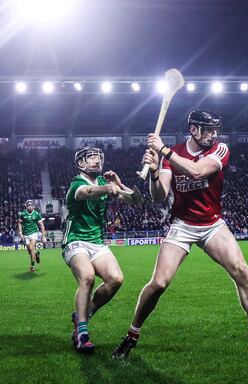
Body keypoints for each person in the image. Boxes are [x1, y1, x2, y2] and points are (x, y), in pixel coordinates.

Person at [112, 110, 248, 360]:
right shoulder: (172, 155)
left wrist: (164, 151)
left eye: (215, 129)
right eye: (208, 130)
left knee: (241, 270)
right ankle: (130, 337)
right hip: (181, 225)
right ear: (194, 130)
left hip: (212, 224)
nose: (214, 135)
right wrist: (155, 170)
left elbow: (197, 172)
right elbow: (159, 196)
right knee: (158, 283)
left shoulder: (220, 149)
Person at [63, 146, 141, 354]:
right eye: (92, 158)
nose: (97, 161)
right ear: (81, 163)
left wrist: (118, 184)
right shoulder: (77, 184)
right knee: (87, 277)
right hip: (75, 240)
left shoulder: (104, 182)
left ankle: (84, 313)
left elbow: (136, 201)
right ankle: (82, 334)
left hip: (97, 242)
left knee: (116, 279)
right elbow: (86, 193)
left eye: (99, 157)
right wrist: (107, 189)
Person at [18, 200, 46, 272]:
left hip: (34, 233)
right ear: (26, 206)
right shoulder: (23, 214)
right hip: (26, 234)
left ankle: (32, 266)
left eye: (31, 205)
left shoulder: (37, 214)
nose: (30, 207)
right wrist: (20, 233)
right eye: (28, 206)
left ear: (33, 206)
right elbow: (19, 223)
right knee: (30, 252)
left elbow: (41, 225)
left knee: (31, 247)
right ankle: (36, 254)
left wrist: (43, 236)